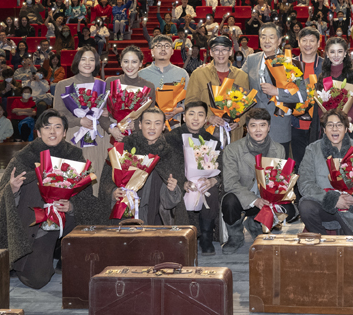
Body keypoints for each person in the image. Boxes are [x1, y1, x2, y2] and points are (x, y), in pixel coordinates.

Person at [0, 110, 106, 289]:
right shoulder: (24, 157)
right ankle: (29, 256)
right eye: (47, 127)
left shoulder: (74, 155)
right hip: (33, 226)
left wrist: (71, 206)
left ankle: (61, 250)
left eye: (58, 127)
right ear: (38, 132)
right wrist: (13, 190)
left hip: (63, 221)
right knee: (37, 280)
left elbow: (86, 197)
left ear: (64, 132)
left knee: (95, 214)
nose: (52, 132)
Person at [99, 107, 189, 226]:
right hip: (124, 214)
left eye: (157, 123)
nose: (152, 127)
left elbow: (172, 203)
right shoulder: (125, 146)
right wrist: (113, 192)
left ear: (163, 127)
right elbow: (106, 181)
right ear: (140, 125)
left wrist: (172, 190)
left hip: (157, 218)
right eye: (148, 123)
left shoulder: (170, 153)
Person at [219, 107, 288, 253]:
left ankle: (256, 223)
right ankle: (235, 236)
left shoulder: (279, 149)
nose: (258, 130)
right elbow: (230, 183)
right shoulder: (232, 149)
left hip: (265, 198)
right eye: (253, 125)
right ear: (247, 128)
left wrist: (275, 195)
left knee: (290, 207)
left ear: (269, 127)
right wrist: (254, 200)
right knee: (229, 201)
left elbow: (280, 181)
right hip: (242, 196)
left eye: (262, 125)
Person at [297, 109, 353, 238]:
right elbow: (305, 183)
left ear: (346, 129)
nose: (334, 129)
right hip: (324, 205)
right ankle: (323, 241)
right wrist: (332, 199)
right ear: (324, 130)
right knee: (305, 206)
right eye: (330, 125)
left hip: (349, 206)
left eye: (339, 125)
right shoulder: (312, 150)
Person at [169, 99, 222, 253]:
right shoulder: (171, 138)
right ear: (184, 117)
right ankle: (184, 236)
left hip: (203, 182)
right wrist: (182, 182)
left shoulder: (212, 141)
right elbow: (168, 165)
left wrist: (213, 179)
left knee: (210, 189)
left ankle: (206, 237)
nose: (196, 118)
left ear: (206, 120)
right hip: (179, 181)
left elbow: (220, 166)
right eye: (191, 114)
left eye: (200, 115)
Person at [51, 46, 111, 181]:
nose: (87, 63)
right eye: (83, 59)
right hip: (74, 134)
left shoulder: (102, 84)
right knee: (74, 176)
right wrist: (79, 121)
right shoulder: (63, 84)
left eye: (91, 60)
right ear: (77, 61)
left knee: (98, 173)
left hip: (97, 136)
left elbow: (107, 112)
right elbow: (58, 115)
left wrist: (107, 113)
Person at [244, 22, 301, 158]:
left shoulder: (290, 62)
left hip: (279, 125)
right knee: (255, 167)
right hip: (256, 127)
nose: (267, 41)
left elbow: (299, 95)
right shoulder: (251, 59)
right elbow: (238, 80)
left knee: (278, 168)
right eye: (263, 37)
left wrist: (277, 92)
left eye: (271, 37)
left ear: (279, 40)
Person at [186, 35, 250, 143]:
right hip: (206, 131)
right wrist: (208, 117)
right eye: (216, 50)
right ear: (211, 53)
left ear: (230, 52)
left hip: (233, 134)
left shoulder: (242, 76)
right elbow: (190, 102)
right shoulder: (198, 74)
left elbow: (247, 105)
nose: (220, 53)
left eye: (224, 49)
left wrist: (239, 122)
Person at [287, 27, 324, 170]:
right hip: (294, 124)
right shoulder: (289, 65)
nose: (308, 44)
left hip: (319, 125)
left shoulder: (325, 65)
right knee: (298, 165)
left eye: (312, 41)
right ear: (298, 42)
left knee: (318, 166)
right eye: (304, 40)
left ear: (318, 43)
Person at [106, 45, 157, 136]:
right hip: (113, 133)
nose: (129, 66)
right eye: (126, 61)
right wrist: (111, 129)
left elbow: (150, 116)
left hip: (138, 136)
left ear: (140, 63)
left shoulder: (149, 87)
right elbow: (101, 112)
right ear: (121, 63)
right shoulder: (110, 82)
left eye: (134, 62)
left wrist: (136, 126)